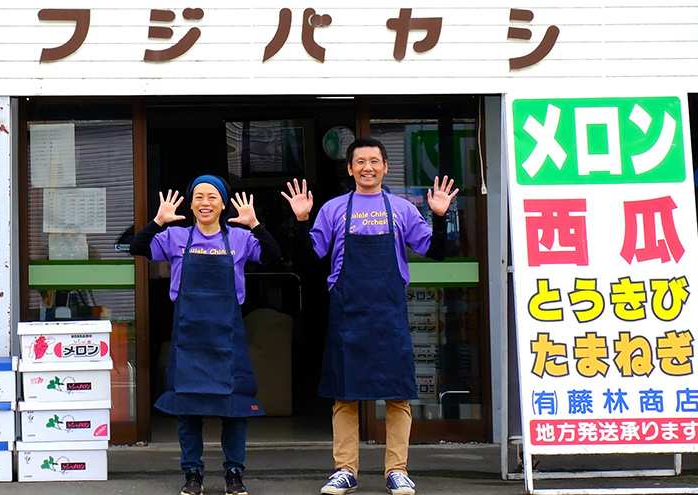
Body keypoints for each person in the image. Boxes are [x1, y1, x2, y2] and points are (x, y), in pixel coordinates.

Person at [281, 137, 458, 495]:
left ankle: (397, 470)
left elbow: (435, 251)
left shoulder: (403, 209)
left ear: (385, 167)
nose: (367, 167)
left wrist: (439, 217)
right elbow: (308, 259)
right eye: (360, 161)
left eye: (374, 161)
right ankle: (345, 469)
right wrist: (301, 221)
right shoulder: (332, 209)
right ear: (350, 169)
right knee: (344, 396)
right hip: (348, 314)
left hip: (389, 313)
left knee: (397, 395)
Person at [130, 174, 281, 495]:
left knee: (235, 408)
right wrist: (157, 220)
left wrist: (255, 224)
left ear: (223, 204)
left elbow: (272, 254)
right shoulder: (175, 236)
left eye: (212, 196)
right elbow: (136, 246)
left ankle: (234, 473)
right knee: (187, 408)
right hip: (189, 336)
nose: (205, 202)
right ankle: (193, 473)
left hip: (228, 337)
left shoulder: (239, 239)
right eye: (198, 196)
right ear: (192, 203)